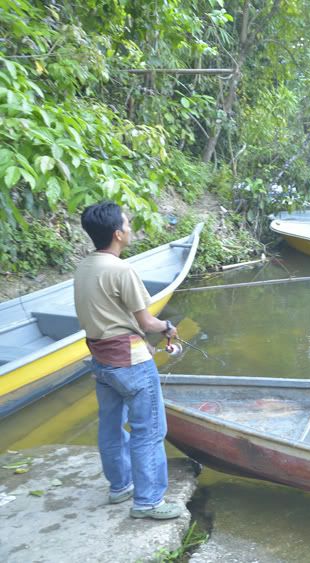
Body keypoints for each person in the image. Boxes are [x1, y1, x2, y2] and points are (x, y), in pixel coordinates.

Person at [74, 201, 182, 520]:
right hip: (131, 363)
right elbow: (147, 322)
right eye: (127, 224)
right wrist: (167, 326)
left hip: (101, 360)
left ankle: (120, 486)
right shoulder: (122, 270)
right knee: (149, 430)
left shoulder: (84, 266)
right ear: (117, 234)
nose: (131, 228)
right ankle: (148, 502)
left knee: (110, 425)